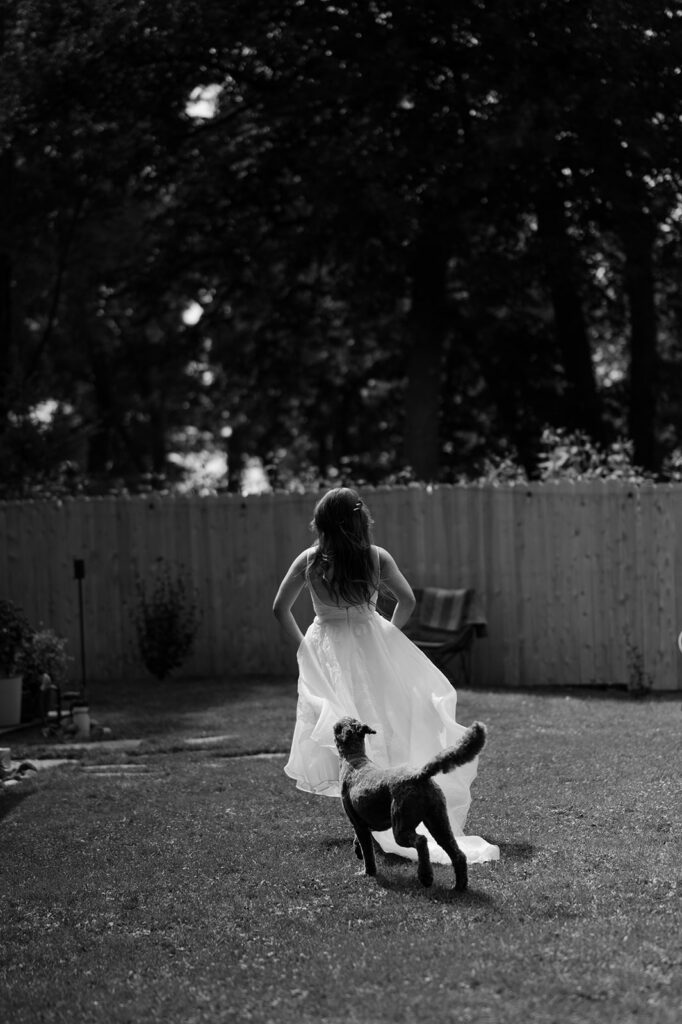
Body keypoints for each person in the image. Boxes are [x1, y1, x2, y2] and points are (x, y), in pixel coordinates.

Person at [273, 486, 499, 866]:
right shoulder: (375, 558)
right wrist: (387, 634)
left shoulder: (309, 561)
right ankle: (391, 804)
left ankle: (367, 811)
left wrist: (304, 649)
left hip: (327, 651)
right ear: (361, 520)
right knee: (383, 722)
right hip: (372, 645)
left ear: (322, 523)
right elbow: (407, 601)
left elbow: (280, 609)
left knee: (344, 725)